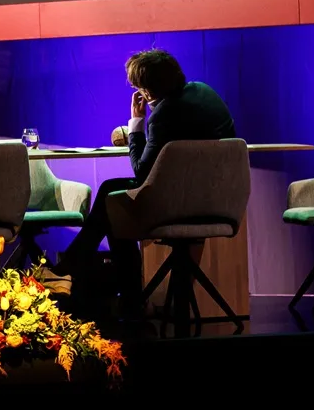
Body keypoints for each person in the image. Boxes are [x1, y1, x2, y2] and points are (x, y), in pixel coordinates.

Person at [53, 48, 237, 307]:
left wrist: (137, 123)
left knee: (112, 198)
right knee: (114, 197)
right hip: (218, 201)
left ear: (147, 91)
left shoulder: (164, 114)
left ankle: (85, 276)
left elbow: (141, 172)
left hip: (180, 206)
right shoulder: (204, 92)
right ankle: (107, 285)